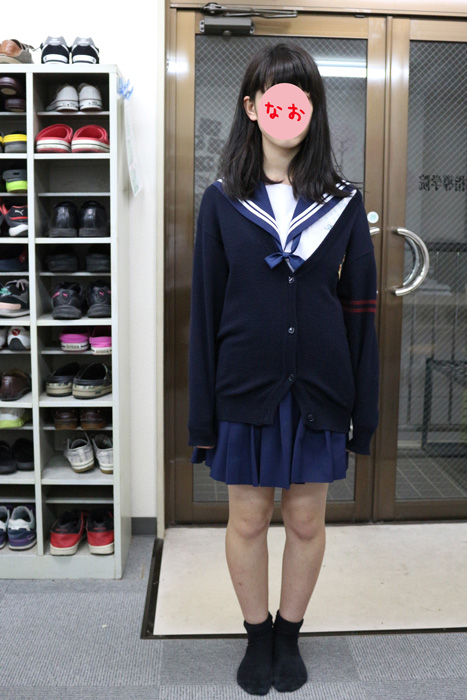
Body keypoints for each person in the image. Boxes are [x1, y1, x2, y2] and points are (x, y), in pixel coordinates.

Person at [188, 43, 379, 695]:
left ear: (313, 110)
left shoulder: (342, 202)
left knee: (304, 522)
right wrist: (202, 417)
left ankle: (289, 634)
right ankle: (256, 634)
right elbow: (206, 311)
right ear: (251, 108)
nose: (288, 110)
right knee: (246, 521)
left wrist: (363, 412)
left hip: (320, 388)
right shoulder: (222, 201)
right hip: (245, 386)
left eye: (301, 98)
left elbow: (360, 310)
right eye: (275, 97)